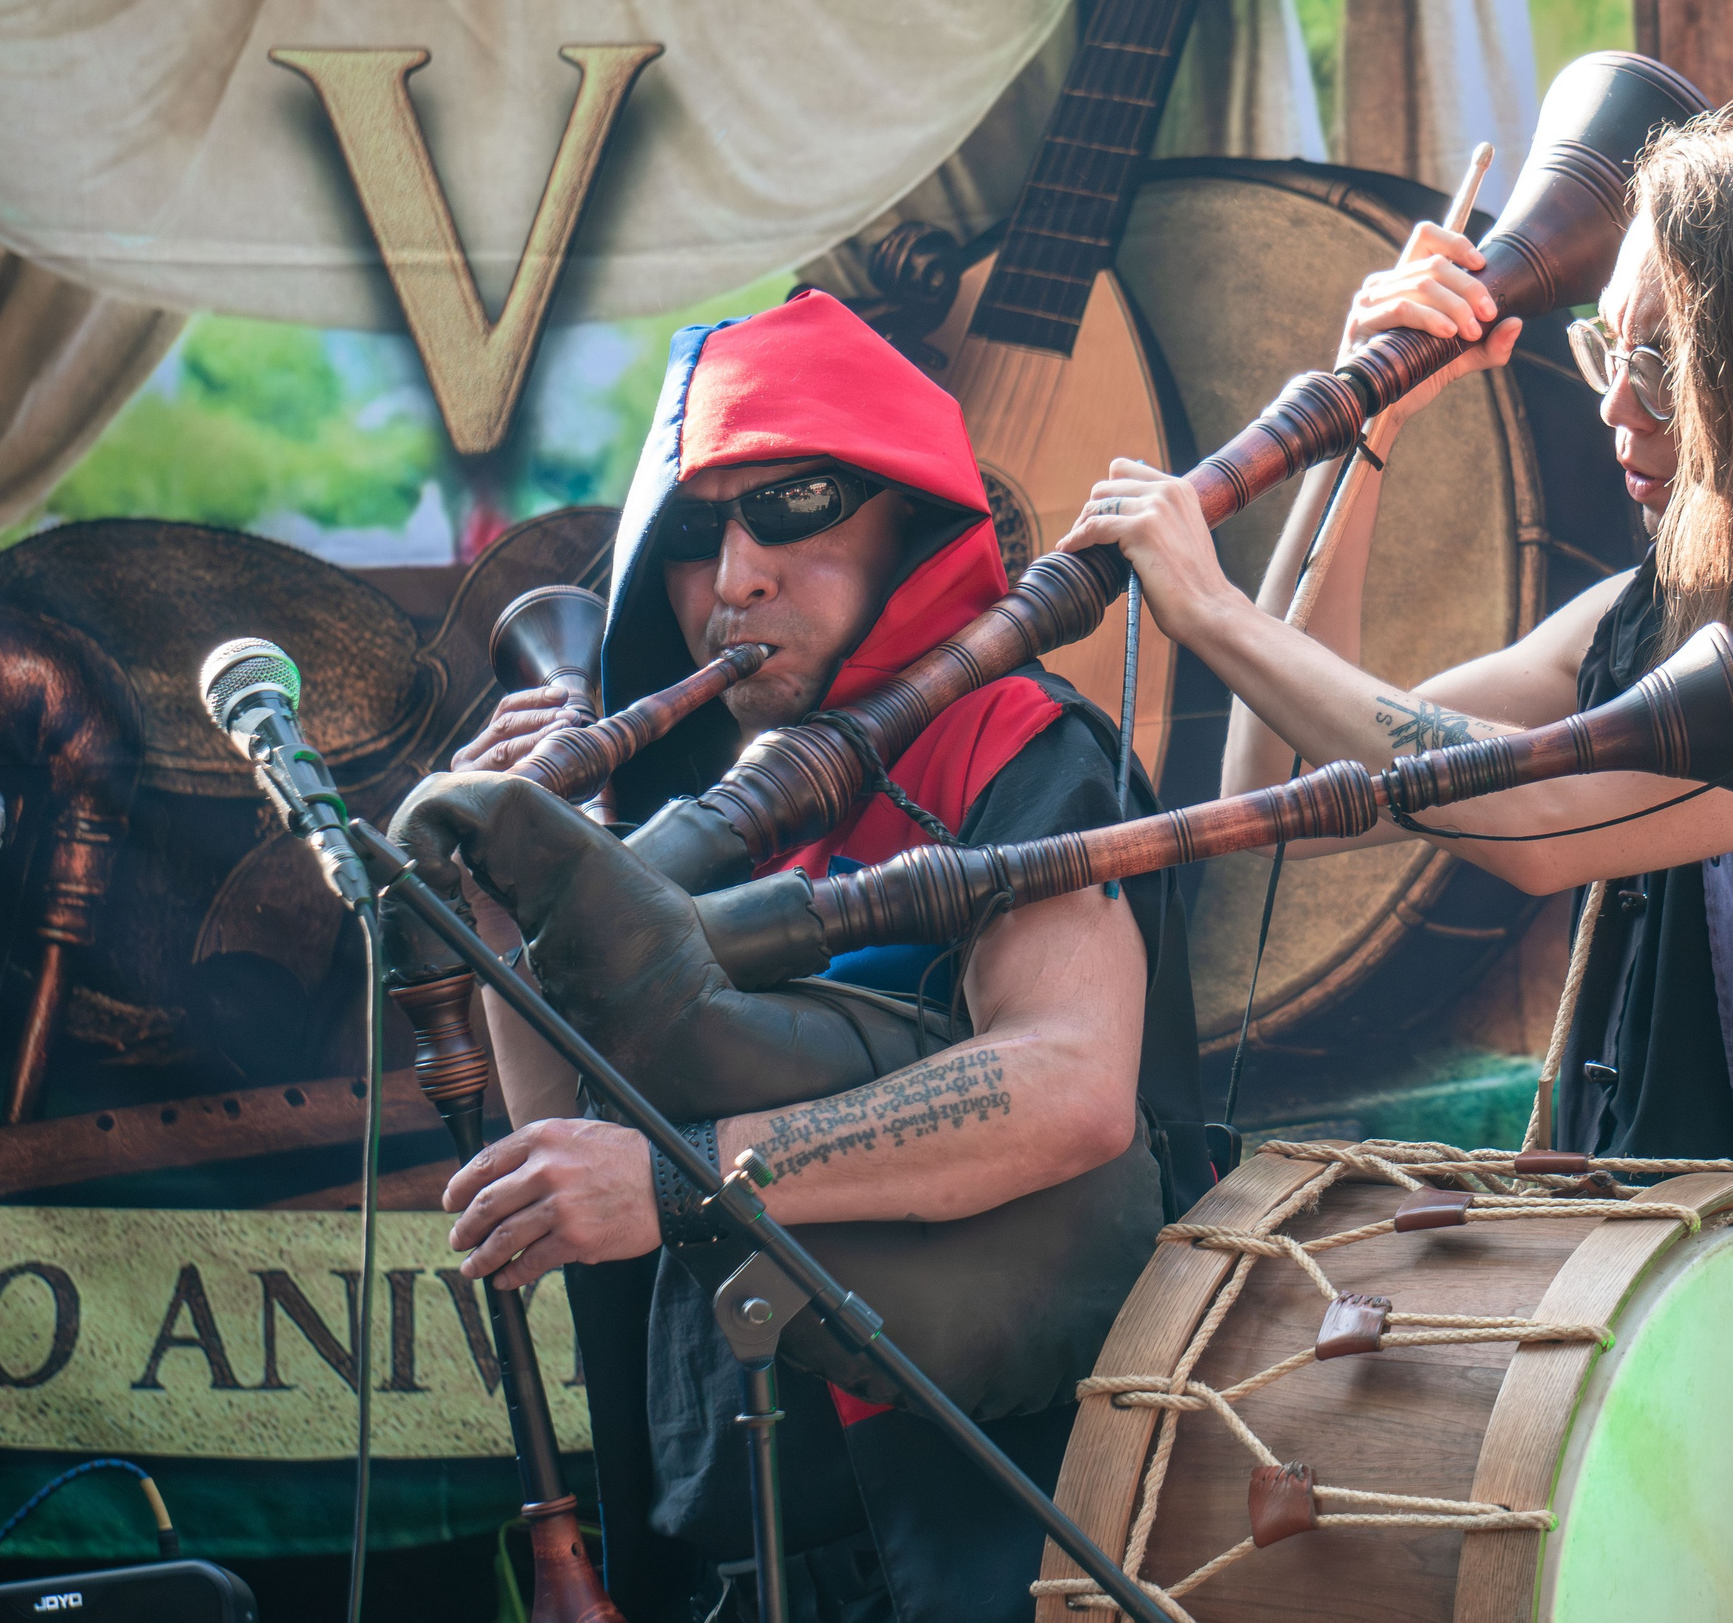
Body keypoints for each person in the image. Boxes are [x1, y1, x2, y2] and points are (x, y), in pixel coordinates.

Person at [1057, 105, 1733, 1622]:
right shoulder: (1649, 613)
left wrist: (1210, 606)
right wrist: (1371, 420)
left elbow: (1525, 826)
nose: (1617, 412)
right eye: (1605, 349)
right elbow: (1311, 778)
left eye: (1664, 363)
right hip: (1672, 1369)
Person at [397, 290, 1207, 1623]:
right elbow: (572, 1146)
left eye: (794, 504)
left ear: (912, 523)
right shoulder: (691, 810)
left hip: (983, 1499)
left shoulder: (1010, 740)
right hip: (735, 1502)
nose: (736, 576)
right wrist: (505, 906)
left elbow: (1071, 1084)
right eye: (697, 533)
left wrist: (682, 1178)